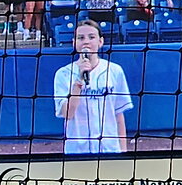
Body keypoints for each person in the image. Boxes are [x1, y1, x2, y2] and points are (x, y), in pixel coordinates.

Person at [53, 20, 133, 154]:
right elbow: (68, 113)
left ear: (100, 42)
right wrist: (78, 82)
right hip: (77, 151)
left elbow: (119, 116)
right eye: (81, 38)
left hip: (109, 149)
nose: (86, 41)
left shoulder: (114, 70)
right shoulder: (63, 74)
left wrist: (123, 151)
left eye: (91, 37)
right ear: (74, 43)